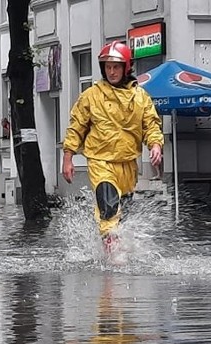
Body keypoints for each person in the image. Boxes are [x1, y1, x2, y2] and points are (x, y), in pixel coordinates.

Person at [61, 40, 164, 251]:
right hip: (101, 161)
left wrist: (155, 145)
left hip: (127, 164)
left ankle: (114, 250)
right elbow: (77, 126)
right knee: (108, 206)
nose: (111, 71)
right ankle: (111, 257)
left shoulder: (140, 97)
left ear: (126, 67)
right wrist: (68, 157)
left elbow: (151, 124)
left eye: (116, 66)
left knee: (122, 212)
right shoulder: (92, 96)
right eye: (107, 67)